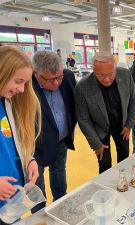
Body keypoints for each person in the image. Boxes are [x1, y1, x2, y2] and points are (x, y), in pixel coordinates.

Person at [75, 51, 135, 173]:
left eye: (110, 74)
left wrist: (129, 123)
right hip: (99, 130)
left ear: (115, 68)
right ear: (93, 70)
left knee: (124, 158)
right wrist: (95, 143)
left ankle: (123, 184)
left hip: (122, 127)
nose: (107, 79)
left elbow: (133, 98)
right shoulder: (83, 86)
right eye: (101, 75)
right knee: (104, 165)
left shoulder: (125, 74)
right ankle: (106, 189)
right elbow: (83, 119)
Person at [31, 51, 77, 212]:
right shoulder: (26, 85)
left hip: (61, 140)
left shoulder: (68, 77)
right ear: (35, 73)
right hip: (35, 147)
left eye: (59, 77)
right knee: (36, 183)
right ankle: (38, 212)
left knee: (59, 172)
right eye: (50, 79)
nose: (56, 82)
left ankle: (61, 203)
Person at [0, 46, 41, 222]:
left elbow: (11, 142)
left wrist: (28, 159)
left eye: (25, 83)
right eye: (18, 81)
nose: (22, 89)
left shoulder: (6, 102)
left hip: (10, 202)